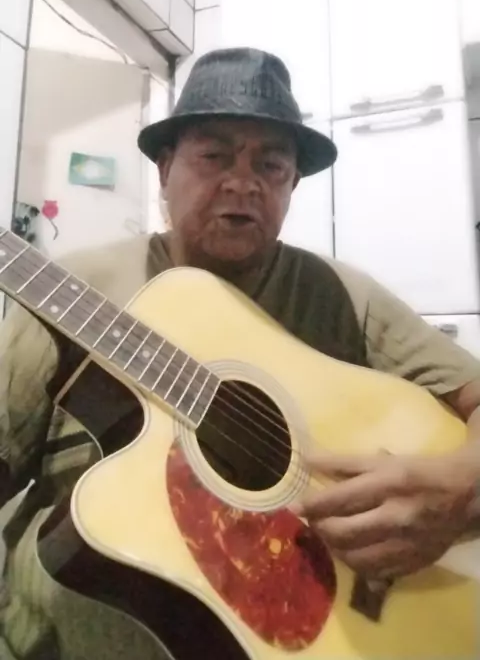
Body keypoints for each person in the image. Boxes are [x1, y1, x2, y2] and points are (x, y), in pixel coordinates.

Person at [0, 47, 479, 659]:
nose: (243, 183)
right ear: (165, 170)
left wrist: (463, 487)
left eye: (271, 164)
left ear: (291, 185)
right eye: (214, 156)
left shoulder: (342, 296)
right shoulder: (72, 292)